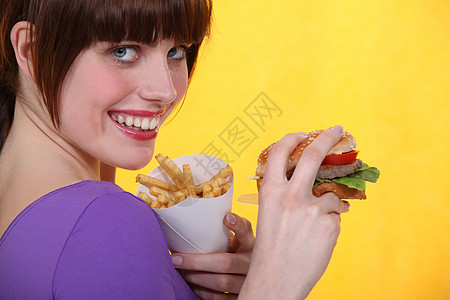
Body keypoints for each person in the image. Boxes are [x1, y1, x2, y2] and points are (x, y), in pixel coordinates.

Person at [0, 0, 349, 299]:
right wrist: (276, 282)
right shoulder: (105, 220)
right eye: (123, 51)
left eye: (176, 51)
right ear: (33, 50)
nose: (165, 90)